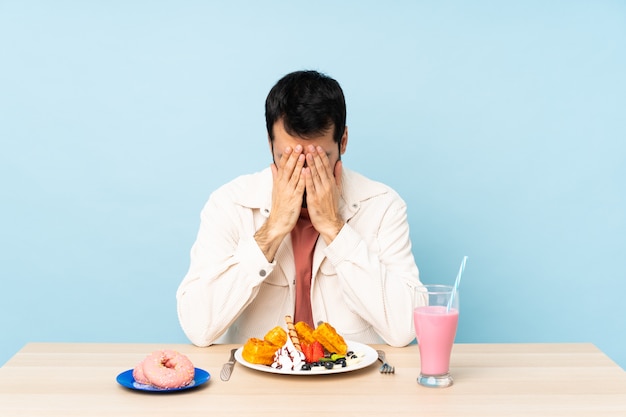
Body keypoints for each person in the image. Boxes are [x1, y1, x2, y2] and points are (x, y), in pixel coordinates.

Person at [176, 70, 424, 348]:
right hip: (256, 386)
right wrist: (271, 232)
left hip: (351, 384)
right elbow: (197, 327)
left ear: (342, 142)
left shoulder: (382, 205)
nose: (304, 174)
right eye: (289, 159)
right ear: (270, 144)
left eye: (319, 159)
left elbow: (405, 330)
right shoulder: (228, 204)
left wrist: (335, 229)